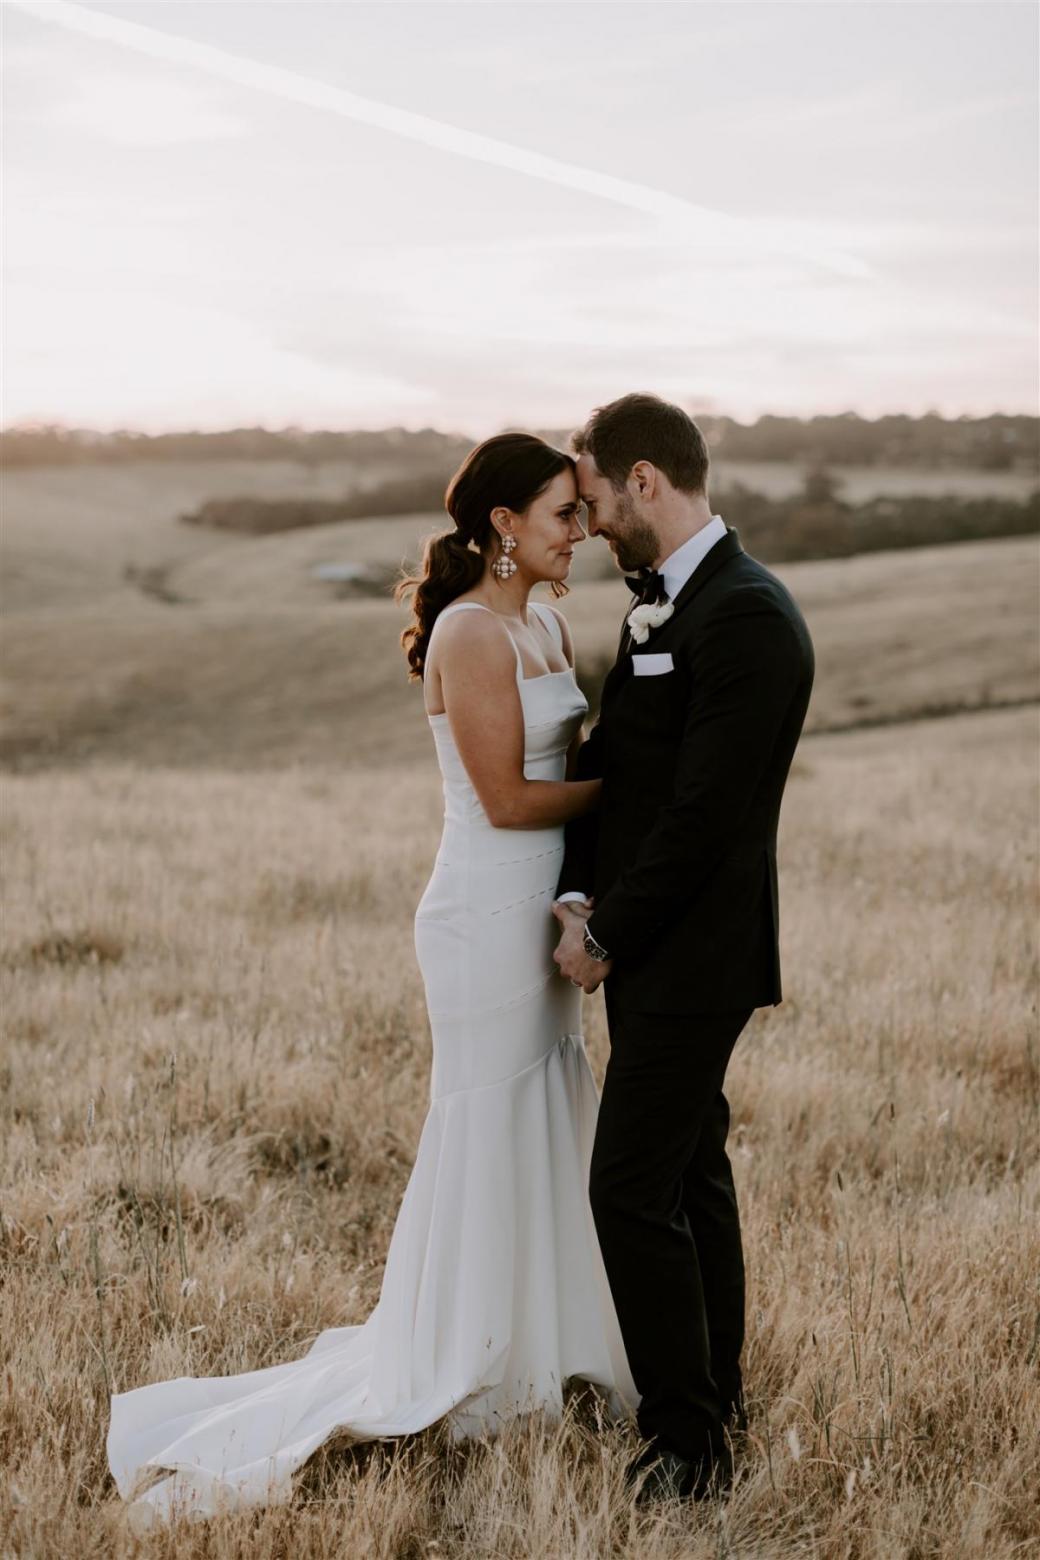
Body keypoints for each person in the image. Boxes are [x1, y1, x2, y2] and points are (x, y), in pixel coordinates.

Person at [106, 432, 636, 1527]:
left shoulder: (543, 619)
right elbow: (506, 799)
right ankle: (465, 1360)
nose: (578, 534)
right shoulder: (470, 629)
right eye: (559, 516)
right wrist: (639, 796)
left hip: (542, 910)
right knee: (485, 1119)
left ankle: (538, 1350)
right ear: (502, 525)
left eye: (580, 517)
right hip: (482, 915)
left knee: (547, 1108)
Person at [552, 393, 815, 1504]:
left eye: (599, 497)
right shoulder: (663, 603)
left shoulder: (743, 614)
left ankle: (685, 1445)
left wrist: (606, 929)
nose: (594, 520)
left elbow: (706, 814)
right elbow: (621, 765)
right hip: (659, 949)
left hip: (694, 952)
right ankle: (717, 1401)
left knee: (626, 1188)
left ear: (645, 482)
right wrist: (575, 886)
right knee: (687, 1172)